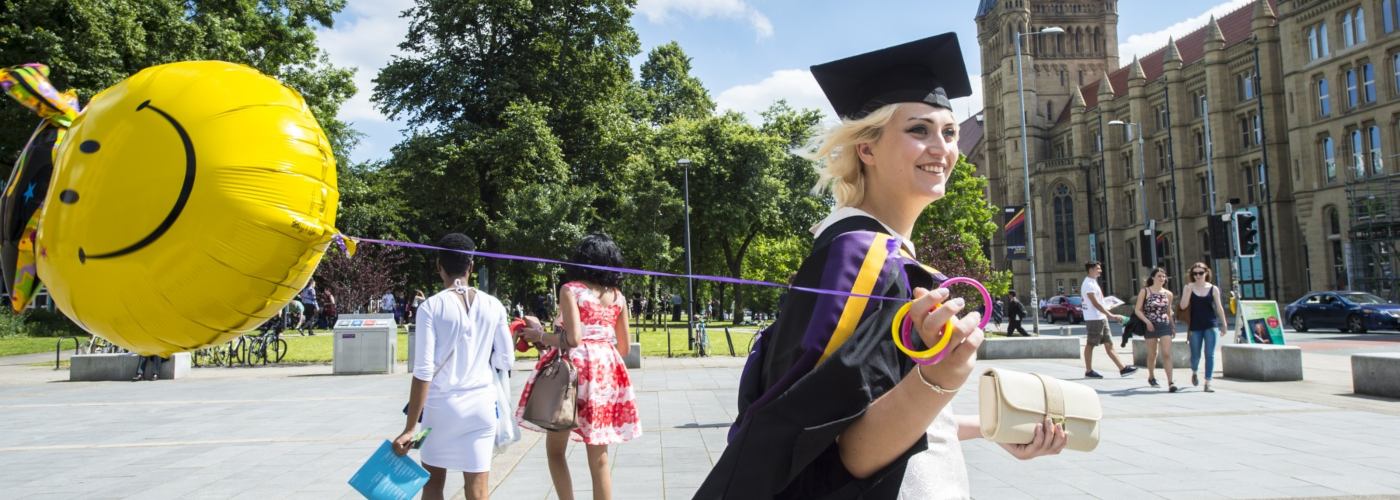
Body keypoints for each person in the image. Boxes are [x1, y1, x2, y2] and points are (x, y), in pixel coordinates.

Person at [696, 34, 1065, 500]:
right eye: (919, 130)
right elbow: (845, 450)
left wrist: (994, 428)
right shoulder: (860, 259)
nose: (943, 148)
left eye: (949, 132)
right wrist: (943, 375)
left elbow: (880, 407)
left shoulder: (879, 252)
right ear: (866, 149)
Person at [516, 233, 641, 500]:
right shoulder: (618, 296)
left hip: (573, 375)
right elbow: (625, 348)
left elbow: (572, 338)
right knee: (600, 459)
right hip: (606, 372)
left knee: (555, 451)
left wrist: (539, 336)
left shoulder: (571, 289)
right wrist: (601, 350)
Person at [392, 233, 514, 500]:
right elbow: (507, 358)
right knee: (478, 487)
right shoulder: (494, 305)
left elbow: (423, 370)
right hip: (481, 405)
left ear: (439, 266)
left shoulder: (431, 307)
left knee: (434, 485)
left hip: (440, 408)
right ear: (470, 266)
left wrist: (410, 426)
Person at [1179, 262, 1230, 392]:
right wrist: (1188, 291)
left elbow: (1219, 307)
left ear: (1206, 273)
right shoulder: (1188, 287)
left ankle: (1208, 382)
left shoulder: (1213, 289)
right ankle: (1194, 371)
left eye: (1200, 273)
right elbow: (1183, 306)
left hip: (1210, 324)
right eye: (1194, 273)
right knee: (1195, 355)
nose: (1197, 276)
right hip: (1195, 326)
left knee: (1210, 354)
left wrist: (1224, 324)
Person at [1080, 261, 1137, 379]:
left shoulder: (1093, 282)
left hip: (1100, 317)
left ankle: (1122, 369)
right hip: (1094, 319)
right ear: (1091, 270)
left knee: (1109, 344)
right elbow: (1095, 304)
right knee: (1090, 344)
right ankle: (1088, 371)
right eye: (1098, 269)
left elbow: (1099, 302)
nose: (1100, 270)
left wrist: (1108, 306)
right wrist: (1111, 315)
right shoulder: (1088, 284)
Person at [1133, 267, 1178, 392]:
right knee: (1152, 353)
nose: (1162, 278)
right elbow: (1138, 310)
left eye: (1163, 276)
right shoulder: (1145, 291)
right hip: (1150, 325)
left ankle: (1170, 382)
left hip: (1164, 324)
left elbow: (1169, 311)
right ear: (1153, 277)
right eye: (1159, 276)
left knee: (1167, 353)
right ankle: (1151, 376)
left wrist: (1173, 326)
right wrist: (1147, 322)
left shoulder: (1168, 294)